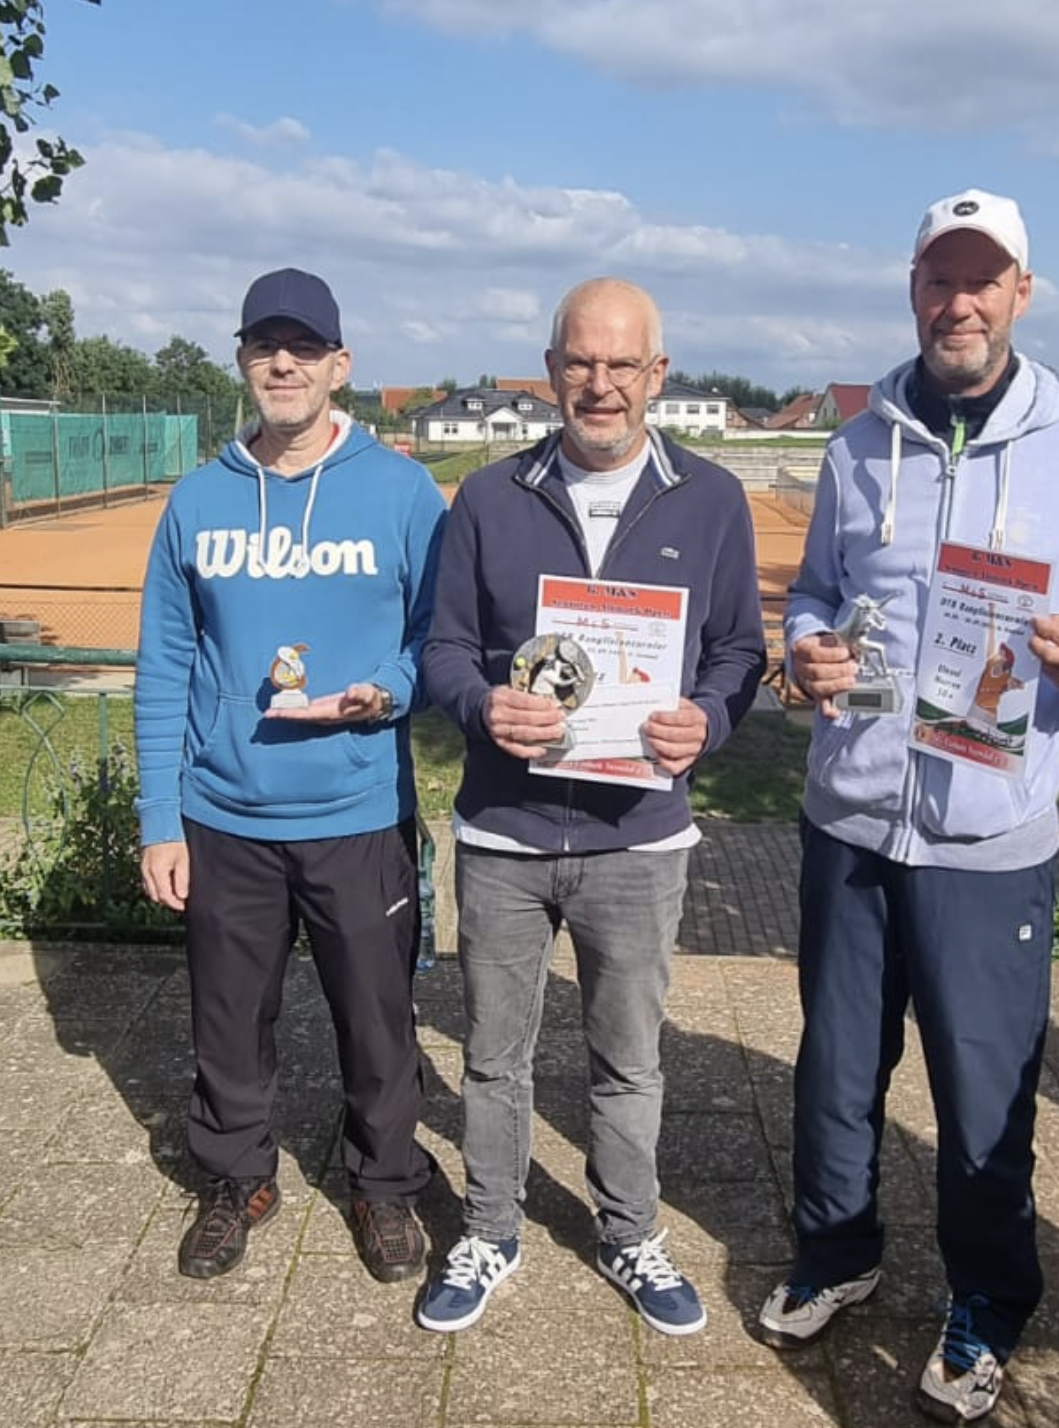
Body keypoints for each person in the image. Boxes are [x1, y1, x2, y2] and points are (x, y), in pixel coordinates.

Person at [759, 191, 1059, 1421]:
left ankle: (987, 1301)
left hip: (989, 839)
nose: (960, 303)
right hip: (851, 820)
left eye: (983, 280)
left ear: (1020, 294)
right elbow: (817, 592)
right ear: (914, 290)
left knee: (984, 1095)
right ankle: (838, 1251)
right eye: (941, 279)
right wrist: (810, 649)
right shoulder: (857, 443)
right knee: (837, 1069)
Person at [419, 277, 766, 1336]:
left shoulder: (711, 499)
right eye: (580, 362)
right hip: (506, 832)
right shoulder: (489, 497)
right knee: (494, 1055)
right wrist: (483, 705)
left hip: (639, 839)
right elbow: (442, 648)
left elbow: (738, 652)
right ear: (550, 370)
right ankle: (490, 1228)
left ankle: (628, 1232)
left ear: (657, 374)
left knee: (630, 1060)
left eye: (622, 364)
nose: (600, 384)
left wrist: (710, 719)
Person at [135, 267, 446, 1285]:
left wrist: (385, 694)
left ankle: (384, 1183)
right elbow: (164, 666)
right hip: (225, 815)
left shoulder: (402, 492)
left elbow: (437, 640)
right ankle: (235, 1178)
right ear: (242, 361)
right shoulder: (197, 500)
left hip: (357, 810)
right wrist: (159, 818)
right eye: (265, 346)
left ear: (338, 365)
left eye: (303, 348)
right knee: (227, 1022)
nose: (283, 364)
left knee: (378, 1021)